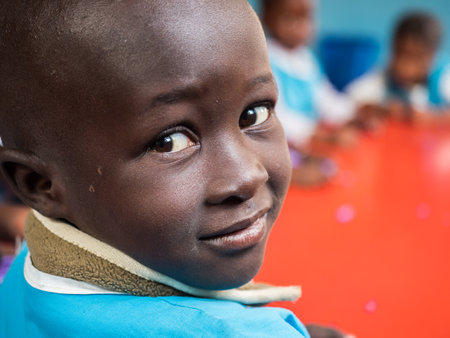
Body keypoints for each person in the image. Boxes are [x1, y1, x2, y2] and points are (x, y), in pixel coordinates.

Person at [0, 0, 310, 336]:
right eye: (170, 141)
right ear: (40, 184)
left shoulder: (36, 257)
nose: (247, 176)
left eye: (254, 114)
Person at [262, 0, 358, 187]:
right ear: (266, 17)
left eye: (306, 17)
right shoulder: (264, 59)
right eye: (289, 18)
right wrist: (322, 136)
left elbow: (326, 100)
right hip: (282, 152)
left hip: (311, 147)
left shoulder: (307, 59)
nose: (300, 26)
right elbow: (276, 118)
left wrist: (353, 111)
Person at [347, 11, 450, 124]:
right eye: (400, 53)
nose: (405, 64)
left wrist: (433, 118)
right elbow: (352, 99)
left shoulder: (443, 76)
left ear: (432, 57)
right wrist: (383, 109)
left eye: (415, 57)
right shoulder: (386, 74)